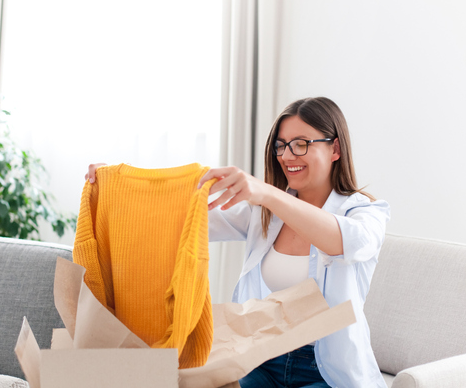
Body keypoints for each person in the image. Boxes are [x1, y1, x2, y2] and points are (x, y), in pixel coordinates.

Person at [86, 97, 390, 388]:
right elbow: (181, 218)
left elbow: (344, 241)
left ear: (335, 148)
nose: (286, 156)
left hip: (326, 372)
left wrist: (268, 193)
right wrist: (113, 186)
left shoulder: (365, 212)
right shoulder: (263, 214)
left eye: (301, 144)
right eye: (281, 146)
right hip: (263, 359)